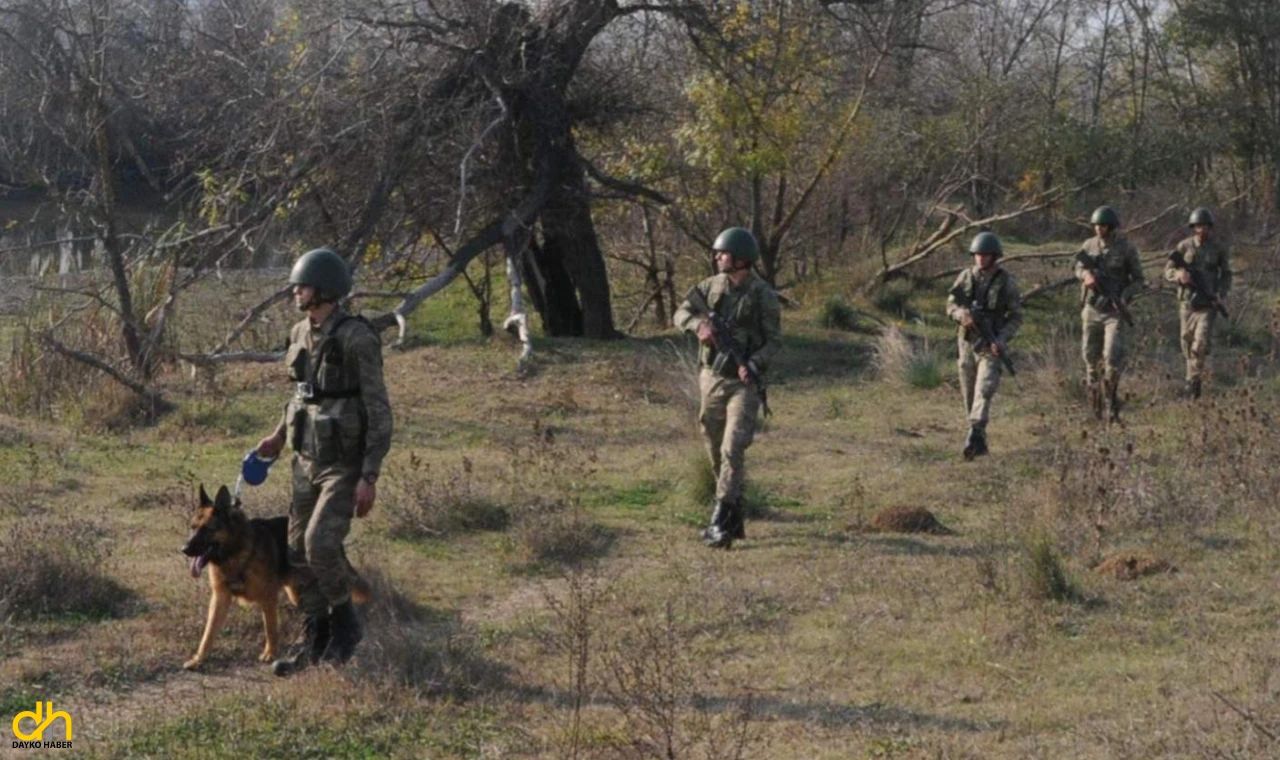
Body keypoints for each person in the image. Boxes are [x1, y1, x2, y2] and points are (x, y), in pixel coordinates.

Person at [254, 248, 393, 676]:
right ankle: (315, 639)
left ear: (326, 291)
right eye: (297, 285)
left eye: (304, 285)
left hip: (343, 464)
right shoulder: (299, 332)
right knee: (295, 551)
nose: (296, 291)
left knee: (320, 545)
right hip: (305, 457)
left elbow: (378, 408)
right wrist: (279, 435)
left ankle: (345, 627)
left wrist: (369, 475)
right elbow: (301, 393)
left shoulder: (356, 338)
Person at [672, 227, 781, 549]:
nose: (718, 257)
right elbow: (681, 312)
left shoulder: (763, 295)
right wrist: (698, 327)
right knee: (712, 441)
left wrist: (755, 364)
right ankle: (734, 514)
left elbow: (775, 341)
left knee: (733, 447)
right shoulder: (710, 287)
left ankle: (719, 521)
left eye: (723, 253)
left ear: (740, 259)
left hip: (744, 383)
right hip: (712, 378)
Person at [945, 231, 1023, 460]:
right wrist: (961, 315)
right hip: (967, 341)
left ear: (994, 256)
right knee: (969, 391)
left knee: (984, 388)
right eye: (977, 254)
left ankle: (974, 433)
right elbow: (950, 304)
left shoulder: (1006, 281)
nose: (980, 258)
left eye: (985, 254)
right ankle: (978, 438)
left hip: (991, 343)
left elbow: (1017, 317)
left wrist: (1002, 338)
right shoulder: (965, 277)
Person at [1074, 205, 1145, 422]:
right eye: (1096, 225)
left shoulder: (1126, 248)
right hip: (1091, 309)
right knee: (1089, 357)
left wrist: (1124, 297)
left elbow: (1140, 280)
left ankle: (1111, 402)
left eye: (1102, 225)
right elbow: (1077, 267)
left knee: (1112, 357)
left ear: (1111, 227)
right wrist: (1085, 275)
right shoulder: (1088, 245)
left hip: (1114, 312)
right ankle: (1094, 407)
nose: (1098, 229)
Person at [1164, 207, 1232, 399]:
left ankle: (1193, 384)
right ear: (1193, 228)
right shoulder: (1184, 247)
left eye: (1206, 227)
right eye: (1199, 226)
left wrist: (1221, 293)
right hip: (1187, 303)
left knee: (1199, 345)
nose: (1202, 230)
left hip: (1207, 303)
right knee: (1186, 343)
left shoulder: (1218, 249)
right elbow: (1168, 270)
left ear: (1211, 228)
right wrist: (1178, 275)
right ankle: (1192, 378)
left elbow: (1226, 274)